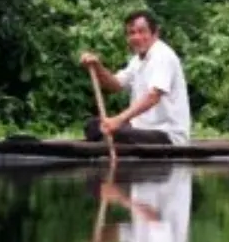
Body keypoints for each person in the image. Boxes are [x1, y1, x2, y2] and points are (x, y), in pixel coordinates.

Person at [80, 10, 191, 145]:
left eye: (141, 31)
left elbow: (153, 97)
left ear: (155, 33)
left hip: (167, 134)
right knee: (93, 126)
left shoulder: (163, 56)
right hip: (140, 129)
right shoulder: (137, 61)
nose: (136, 37)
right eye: (132, 33)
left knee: (116, 132)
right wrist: (97, 66)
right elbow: (115, 85)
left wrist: (118, 120)